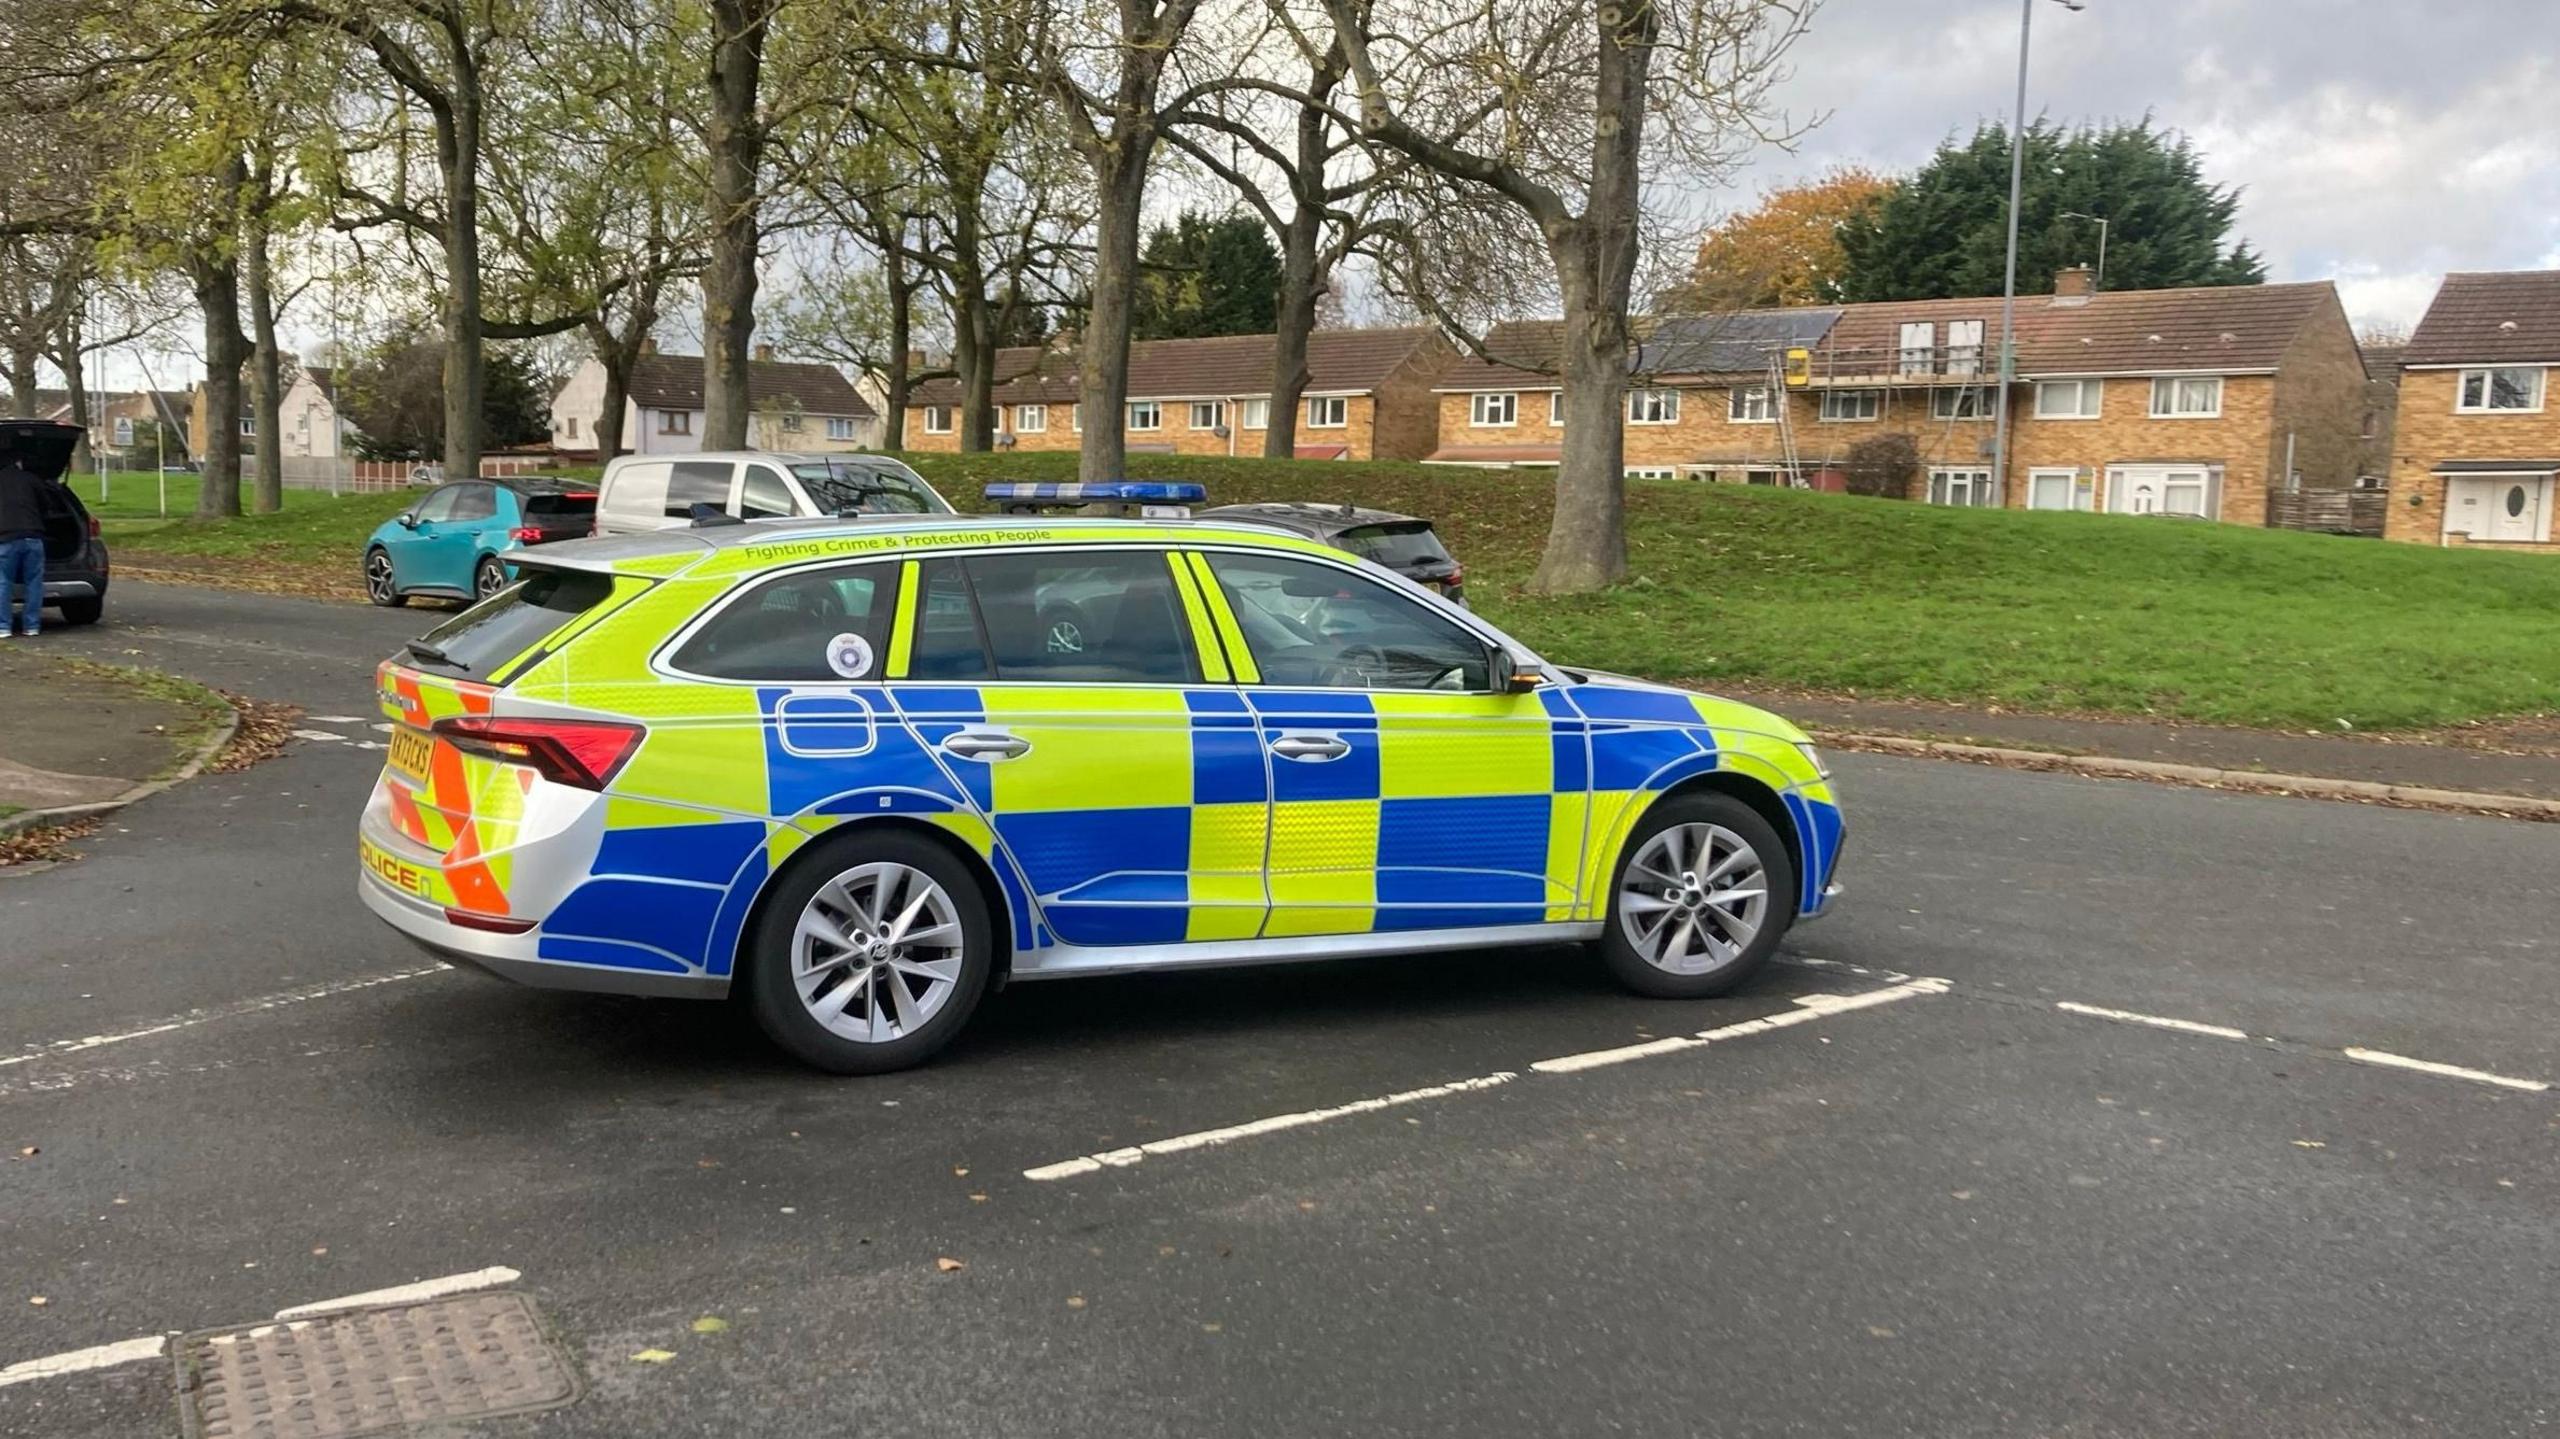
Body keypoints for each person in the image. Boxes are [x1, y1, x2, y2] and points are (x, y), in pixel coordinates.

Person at [0, 454, 47, 638]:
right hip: (33, 536)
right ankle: (32, 626)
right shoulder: (31, 479)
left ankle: (3, 627)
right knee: (34, 582)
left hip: (6, 538)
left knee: (3, 583)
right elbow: (46, 505)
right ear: (18, 463)